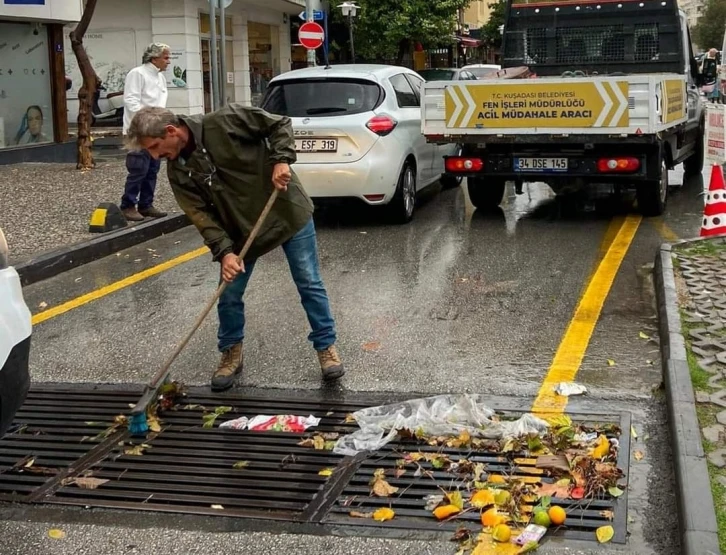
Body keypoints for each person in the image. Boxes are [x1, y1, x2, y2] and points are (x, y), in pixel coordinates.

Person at [124, 105, 345, 391]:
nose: (155, 156)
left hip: (285, 211)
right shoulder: (177, 170)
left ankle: (326, 348)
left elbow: (279, 123)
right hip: (239, 232)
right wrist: (225, 252)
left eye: (155, 147)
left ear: (171, 131)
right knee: (229, 294)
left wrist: (281, 160)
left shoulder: (225, 121)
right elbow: (201, 216)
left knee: (308, 282)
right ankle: (231, 352)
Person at [120, 43, 171, 222]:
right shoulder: (137, 73)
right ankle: (127, 205)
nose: (169, 62)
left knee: (152, 169)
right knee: (138, 169)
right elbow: (131, 101)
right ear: (154, 58)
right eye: (166, 58)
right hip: (139, 130)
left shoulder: (160, 77)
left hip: (155, 130)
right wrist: (149, 120)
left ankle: (146, 204)